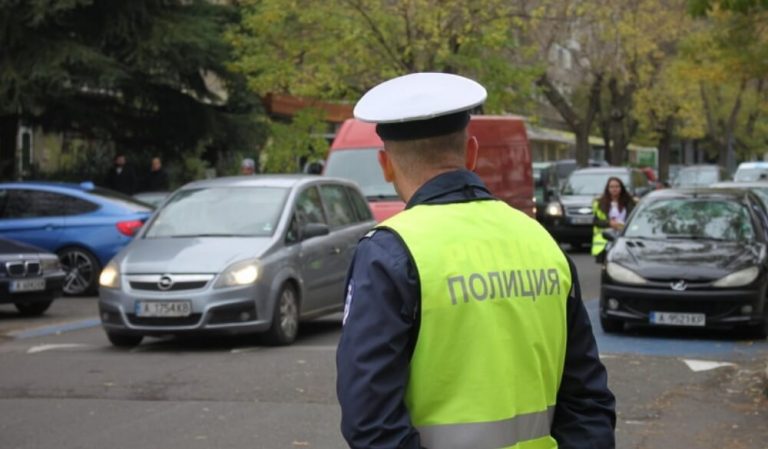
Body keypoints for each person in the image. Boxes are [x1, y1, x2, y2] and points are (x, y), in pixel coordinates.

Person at [336, 73, 616, 449]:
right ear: (471, 153)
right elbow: (587, 401)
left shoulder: (390, 254)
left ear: (385, 165)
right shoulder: (540, 241)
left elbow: (371, 421)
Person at [592, 176, 636, 263]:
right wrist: (609, 223)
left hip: (624, 236)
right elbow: (596, 221)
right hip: (606, 239)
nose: (614, 189)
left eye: (617, 186)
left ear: (621, 188)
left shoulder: (629, 202)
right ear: (607, 188)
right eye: (611, 187)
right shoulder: (599, 203)